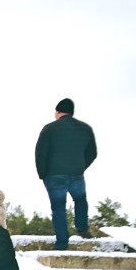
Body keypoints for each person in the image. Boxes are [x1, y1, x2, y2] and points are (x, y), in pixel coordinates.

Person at [34, 98, 98, 250]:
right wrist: (81, 167)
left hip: (54, 175)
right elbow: (92, 153)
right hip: (76, 173)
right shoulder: (85, 128)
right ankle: (83, 229)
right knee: (81, 200)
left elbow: (40, 153)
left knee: (58, 208)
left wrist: (43, 174)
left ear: (57, 112)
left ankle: (62, 242)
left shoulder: (49, 128)